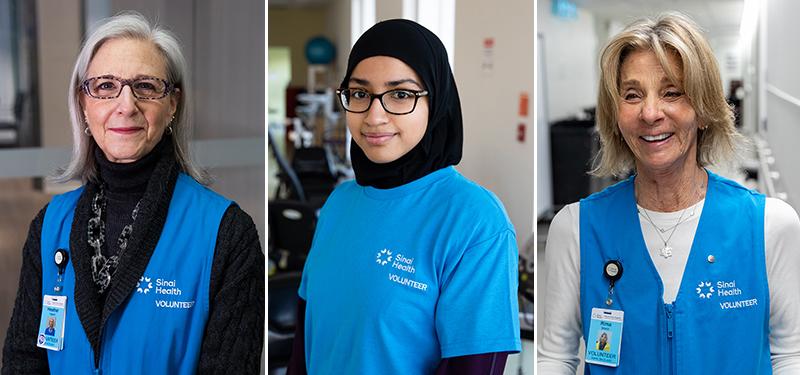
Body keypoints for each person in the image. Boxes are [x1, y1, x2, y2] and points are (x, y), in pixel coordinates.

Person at [538, 13, 800, 374]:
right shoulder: (578, 229)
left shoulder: (769, 226)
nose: (649, 113)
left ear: (704, 109)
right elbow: (555, 357)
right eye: (632, 95)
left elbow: (791, 354)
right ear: (616, 114)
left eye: (671, 92)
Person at [2, 13, 264, 374]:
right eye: (106, 86)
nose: (126, 105)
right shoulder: (50, 225)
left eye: (145, 86)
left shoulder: (227, 234)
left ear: (172, 103)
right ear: (83, 103)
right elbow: (23, 360)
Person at [287, 19, 521, 374]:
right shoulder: (339, 203)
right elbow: (304, 352)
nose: (374, 116)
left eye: (400, 94)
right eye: (360, 93)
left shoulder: (475, 221)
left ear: (437, 101)